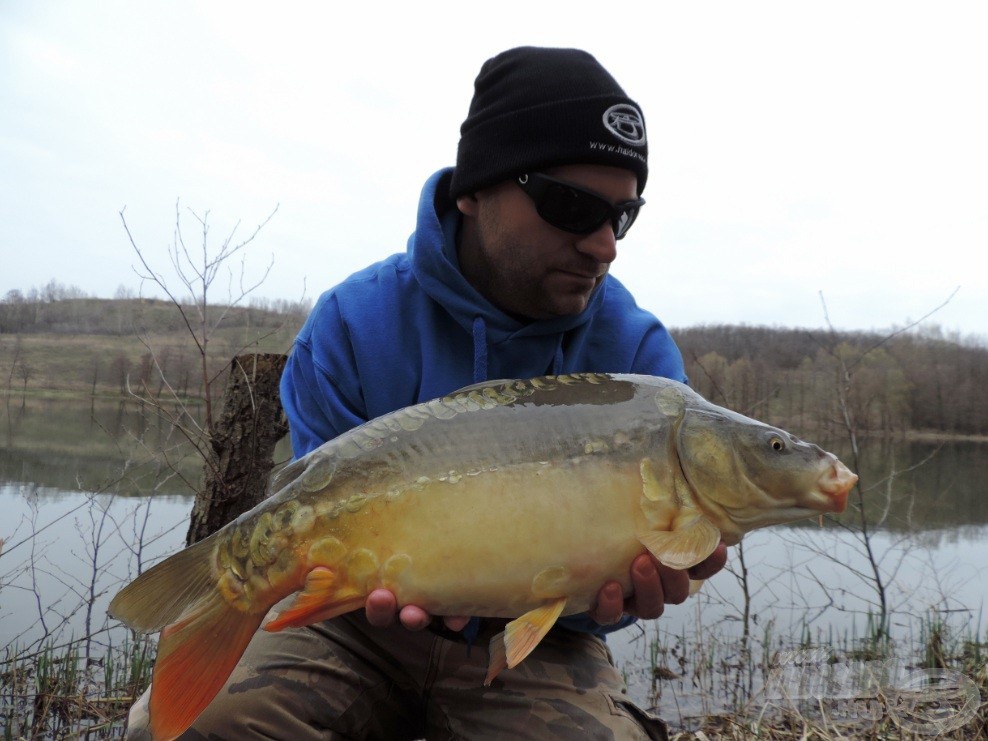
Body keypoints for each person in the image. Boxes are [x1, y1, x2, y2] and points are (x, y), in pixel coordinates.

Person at [128, 46, 727, 740]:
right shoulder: (352, 322)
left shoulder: (637, 363)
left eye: (623, 217)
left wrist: (614, 599)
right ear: (475, 189)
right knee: (185, 729)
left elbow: (620, 580)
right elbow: (319, 510)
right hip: (352, 631)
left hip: (540, 644)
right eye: (572, 206)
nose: (604, 245)